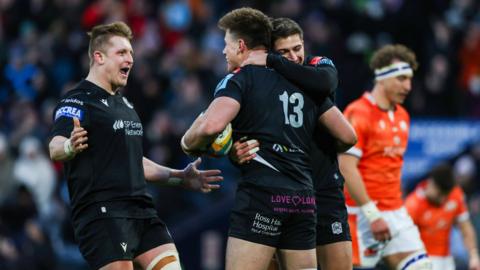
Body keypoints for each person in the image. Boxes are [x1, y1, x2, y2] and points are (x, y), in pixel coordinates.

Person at [181, 7, 350, 270]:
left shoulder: (241, 79)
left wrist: (186, 143)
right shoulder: (306, 82)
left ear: (240, 45)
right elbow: (347, 136)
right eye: (285, 51)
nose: (223, 52)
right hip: (305, 198)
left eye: (226, 45)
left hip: (265, 194)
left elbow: (211, 126)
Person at [48, 21, 223, 270]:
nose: (130, 58)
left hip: (142, 211)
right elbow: (55, 146)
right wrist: (70, 147)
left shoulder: (126, 106)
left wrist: (180, 177)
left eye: (131, 52)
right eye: (121, 52)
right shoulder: (78, 101)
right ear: (98, 57)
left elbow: (134, 162)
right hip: (103, 214)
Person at [232, 17, 355, 270]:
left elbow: (327, 82)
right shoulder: (262, 85)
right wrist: (234, 154)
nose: (294, 56)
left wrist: (273, 61)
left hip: (324, 190)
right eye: (283, 52)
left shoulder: (317, 66)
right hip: (285, 192)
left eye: (297, 48)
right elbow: (243, 134)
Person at [338, 44, 433, 270]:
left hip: (395, 212)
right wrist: (373, 215)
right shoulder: (357, 113)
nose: (408, 86)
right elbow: (346, 168)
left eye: (410, 79)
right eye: (401, 78)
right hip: (360, 213)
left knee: (422, 267)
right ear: (381, 76)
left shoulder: (402, 116)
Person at [405, 163, 480, 270]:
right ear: (431, 184)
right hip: (421, 260)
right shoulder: (413, 205)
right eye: (440, 194)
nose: (443, 200)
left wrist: (474, 255)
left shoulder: (455, 194)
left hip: (446, 261)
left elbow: (465, 227)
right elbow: (405, 242)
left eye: (446, 196)